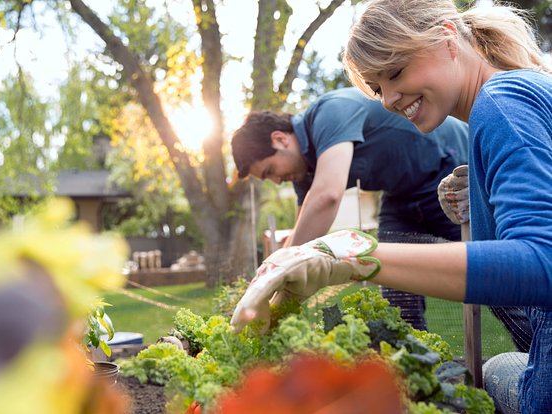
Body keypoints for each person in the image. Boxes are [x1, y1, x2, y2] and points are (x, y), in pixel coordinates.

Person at [231, 1, 552, 413]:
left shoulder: (499, 104)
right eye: (378, 87)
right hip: (404, 198)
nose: (387, 100)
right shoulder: (515, 95)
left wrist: (353, 256)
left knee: (495, 371)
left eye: (396, 72)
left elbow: (543, 260)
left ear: (448, 37)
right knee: (482, 355)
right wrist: (480, 182)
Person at [231, 87, 531, 347]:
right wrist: (268, 297)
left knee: (496, 276)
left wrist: (274, 270)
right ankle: (431, 378)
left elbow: (327, 197)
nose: (276, 181)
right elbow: (302, 234)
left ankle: (543, 361)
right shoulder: (302, 173)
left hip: (449, 173)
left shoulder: (329, 112)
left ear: (280, 138)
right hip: (400, 197)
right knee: (399, 298)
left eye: (270, 171)